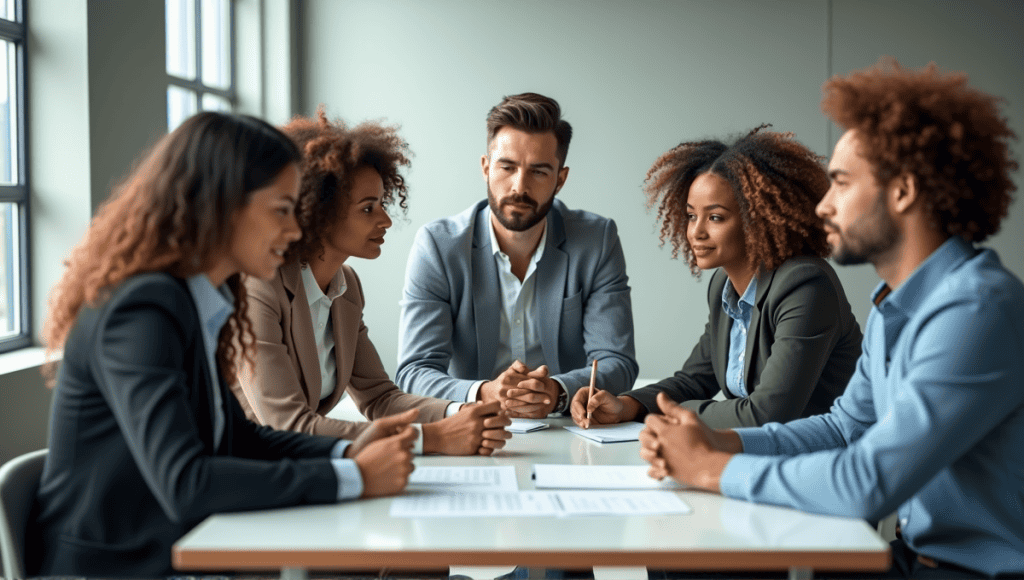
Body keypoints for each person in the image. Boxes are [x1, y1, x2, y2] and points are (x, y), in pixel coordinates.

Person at [640, 59, 1024, 578]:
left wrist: (711, 468)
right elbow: (846, 429)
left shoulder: (978, 310)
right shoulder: (896, 306)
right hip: (913, 559)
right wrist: (721, 441)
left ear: (903, 190)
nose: (823, 206)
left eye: (841, 183)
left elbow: (866, 482)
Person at [29, 112, 418, 577]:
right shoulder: (142, 309)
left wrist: (346, 452)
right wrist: (351, 477)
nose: (296, 231)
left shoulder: (198, 300)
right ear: (220, 204)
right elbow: (185, 482)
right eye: (280, 210)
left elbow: (236, 437)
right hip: (118, 567)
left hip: (183, 549)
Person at [232, 109, 511, 455]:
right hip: (245, 468)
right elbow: (287, 425)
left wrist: (460, 413)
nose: (386, 220)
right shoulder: (259, 286)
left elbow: (380, 397)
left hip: (306, 466)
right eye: (368, 208)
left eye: (382, 203)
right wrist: (434, 438)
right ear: (317, 212)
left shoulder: (346, 287)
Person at [572, 126, 862, 429]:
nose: (696, 232)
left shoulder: (805, 286)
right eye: (691, 215)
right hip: (759, 455)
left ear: (756, 220)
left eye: (715, 217)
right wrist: (626, 406)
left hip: (826, 460)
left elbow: (767, 414)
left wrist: (678, 413)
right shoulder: (724, 287)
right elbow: (693, 380)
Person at [396, 92, 638, 418]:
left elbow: (617, 361)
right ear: (485, 168)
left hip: (566, 427)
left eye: (538, 171)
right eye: (507, 167)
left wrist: (558, 391)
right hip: (472, 427)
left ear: (560, 179)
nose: (519, 187)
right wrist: (482, 393)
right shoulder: (438, 247)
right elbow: (414, 371)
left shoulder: (596, 241)